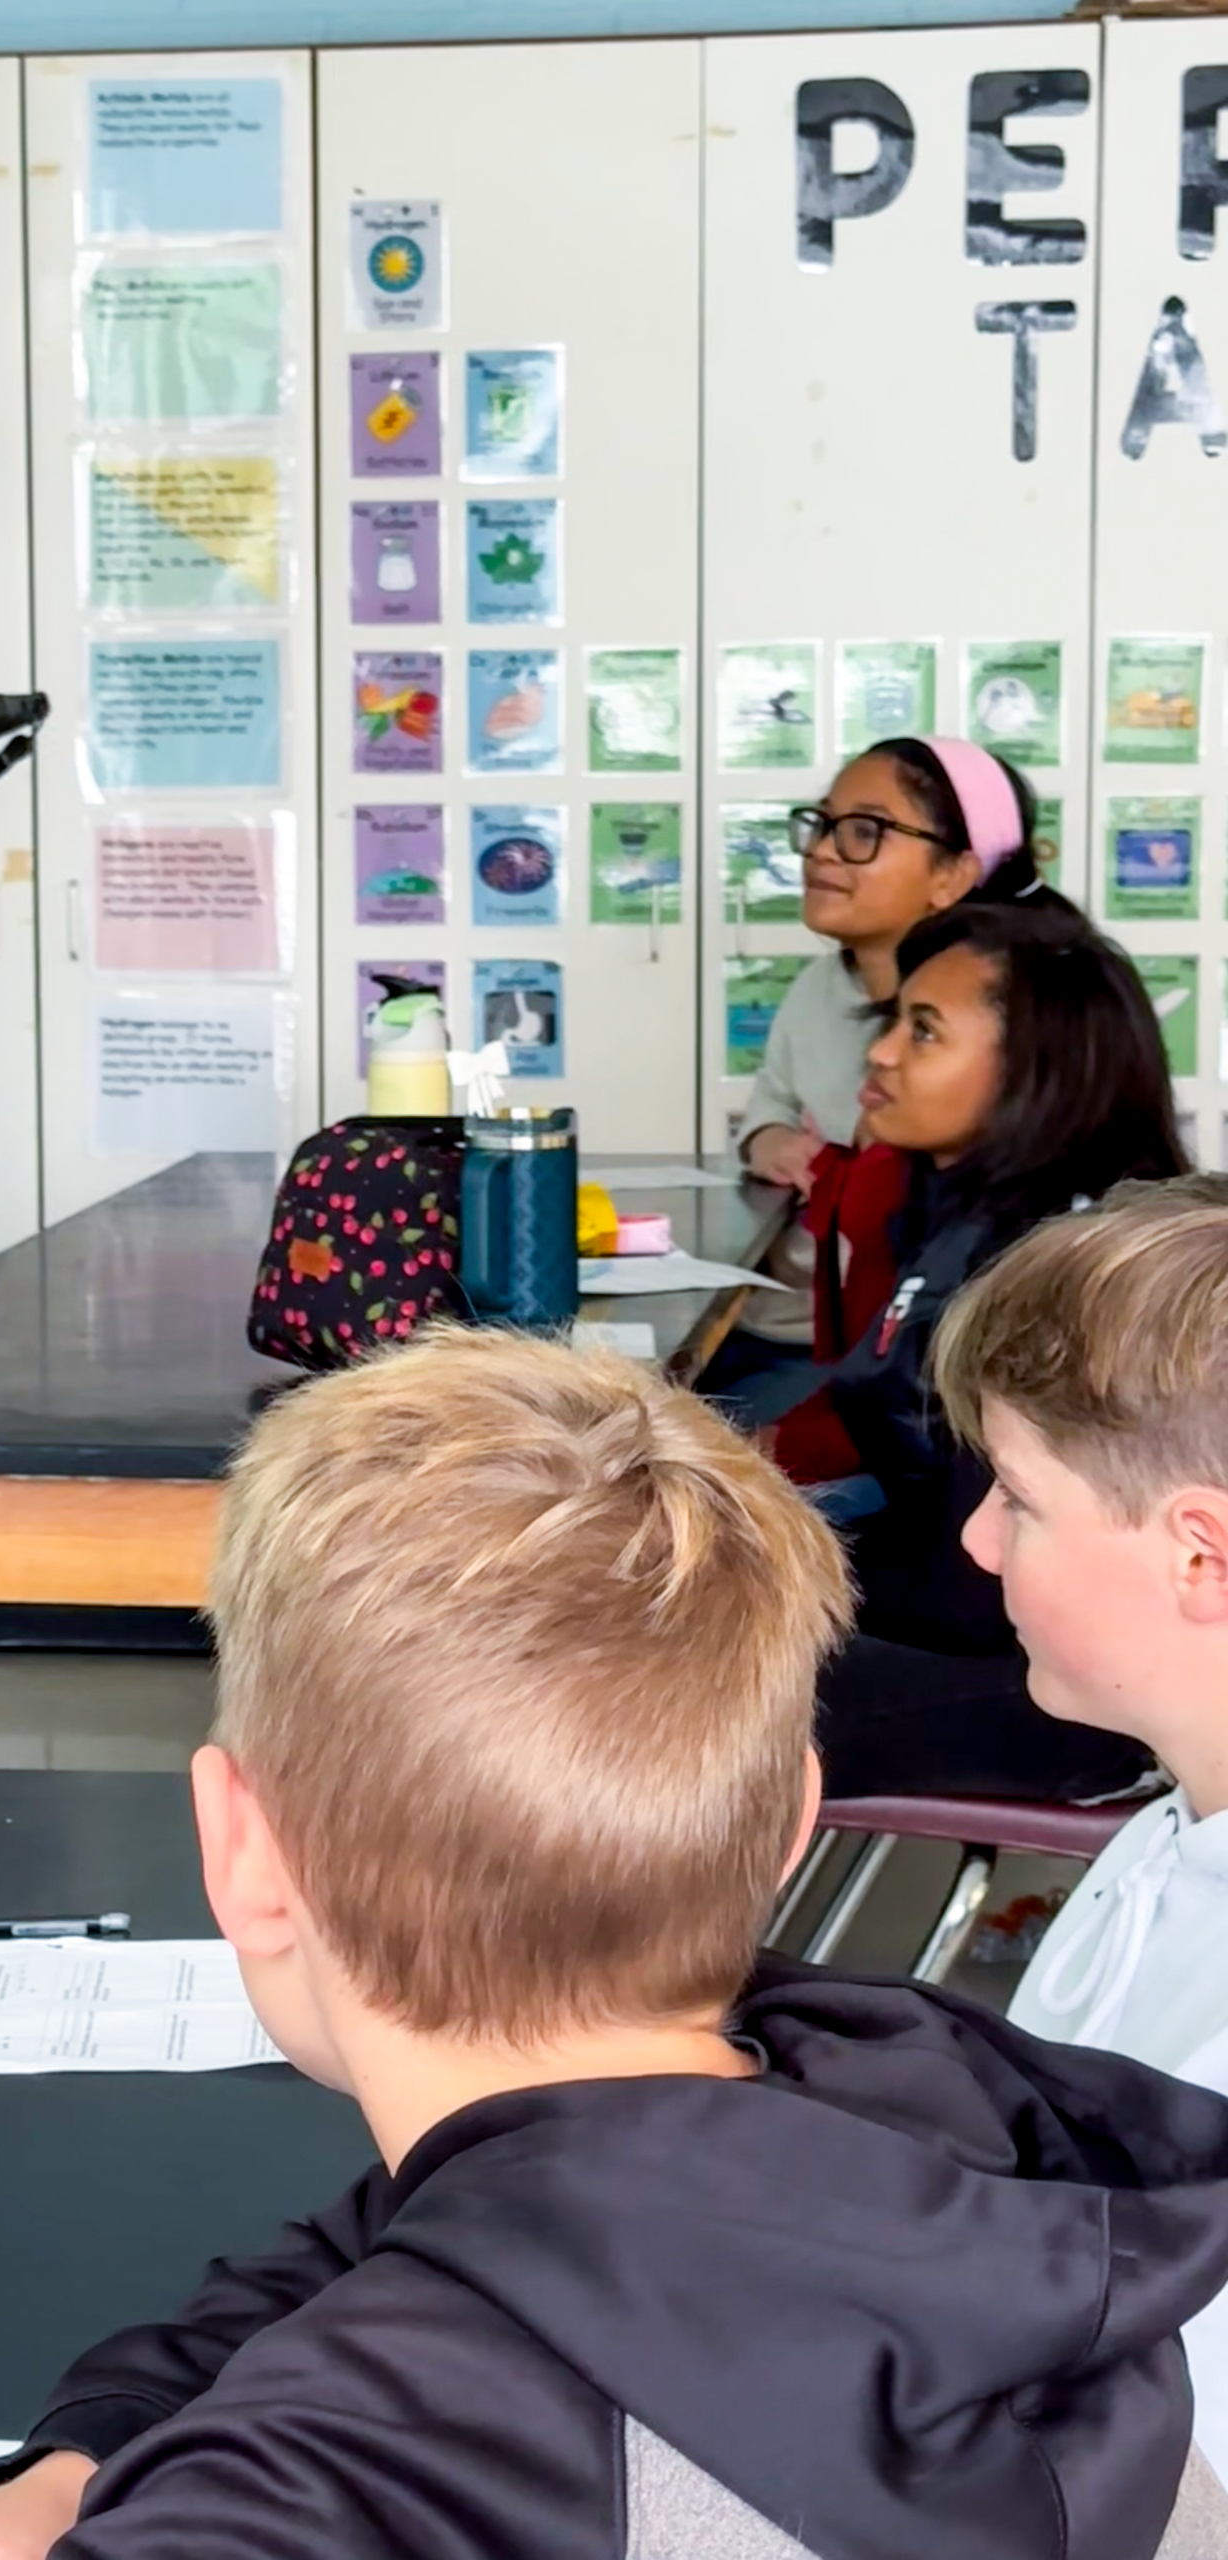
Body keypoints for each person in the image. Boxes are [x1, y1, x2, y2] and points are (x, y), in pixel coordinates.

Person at [0, 1329, 1228, 2560]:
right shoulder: (933, 2121)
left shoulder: (319, 2493)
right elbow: (392, 2232)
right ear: (793, 1820)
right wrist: (79, 2466)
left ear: (243, 1852)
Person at [933, 1184, 1228, 2480]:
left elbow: (1151, 2480)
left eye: (1020, 1498)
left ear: (1200, 1561)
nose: (978, 1539)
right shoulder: (1168, 1835)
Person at [772, 903, 1186, 1801]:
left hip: (1065, 1690)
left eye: (925, 1032)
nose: (882, 1053)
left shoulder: (1057, 1269)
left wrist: (768, 1566)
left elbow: (971, 1596)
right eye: (892, 1021)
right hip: (982, 1613)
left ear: (1033, 1074)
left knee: (649, 1696)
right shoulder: (962, 1205)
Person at [711, 734, 1064, 1416]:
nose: (819, 851)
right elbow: (766, 1113)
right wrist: (773, 1142)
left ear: (954, 873)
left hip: (900, 1371)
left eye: (864, 832)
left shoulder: (1012, 1026)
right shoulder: (818, 987)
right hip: (792, 1333)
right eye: (820, 824)